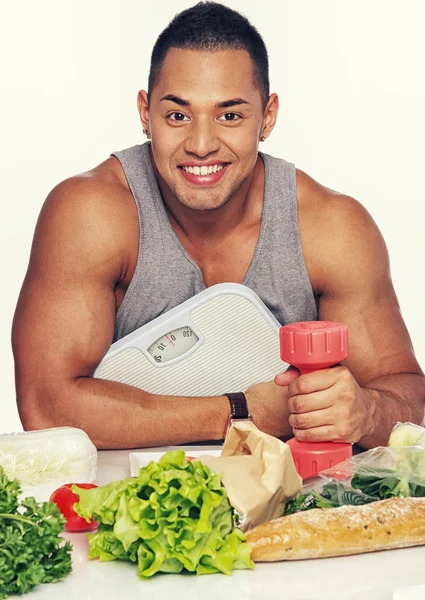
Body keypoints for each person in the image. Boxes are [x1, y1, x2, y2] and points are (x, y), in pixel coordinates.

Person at [12, 2, 424, 450]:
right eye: (178, 116)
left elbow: (409, 399)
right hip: (123, 508)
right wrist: (241, 411)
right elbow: (47, 408)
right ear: (145, 113)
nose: (202, 145)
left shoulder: (331, 228)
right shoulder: (92, 213)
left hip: (289, 512)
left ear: (267, 117)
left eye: (230, 116)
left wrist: (366, 411)